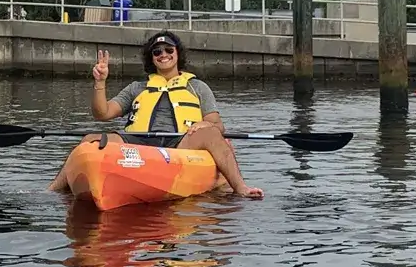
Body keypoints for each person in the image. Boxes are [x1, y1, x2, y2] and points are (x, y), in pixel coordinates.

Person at [49, 30, 263, 199]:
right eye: (157, 51)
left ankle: (241, 188)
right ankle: (53, 190)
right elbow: (102, 113)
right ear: (151, 58)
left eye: (168, 49)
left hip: (180, 143)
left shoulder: (197, 87)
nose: (163, 55)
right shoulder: (137, 88)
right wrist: (100, 82)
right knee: (90, 141)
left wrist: (206, 126)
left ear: (177, 53)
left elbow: (216, 123)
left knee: (213, 135)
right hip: (140, 142)